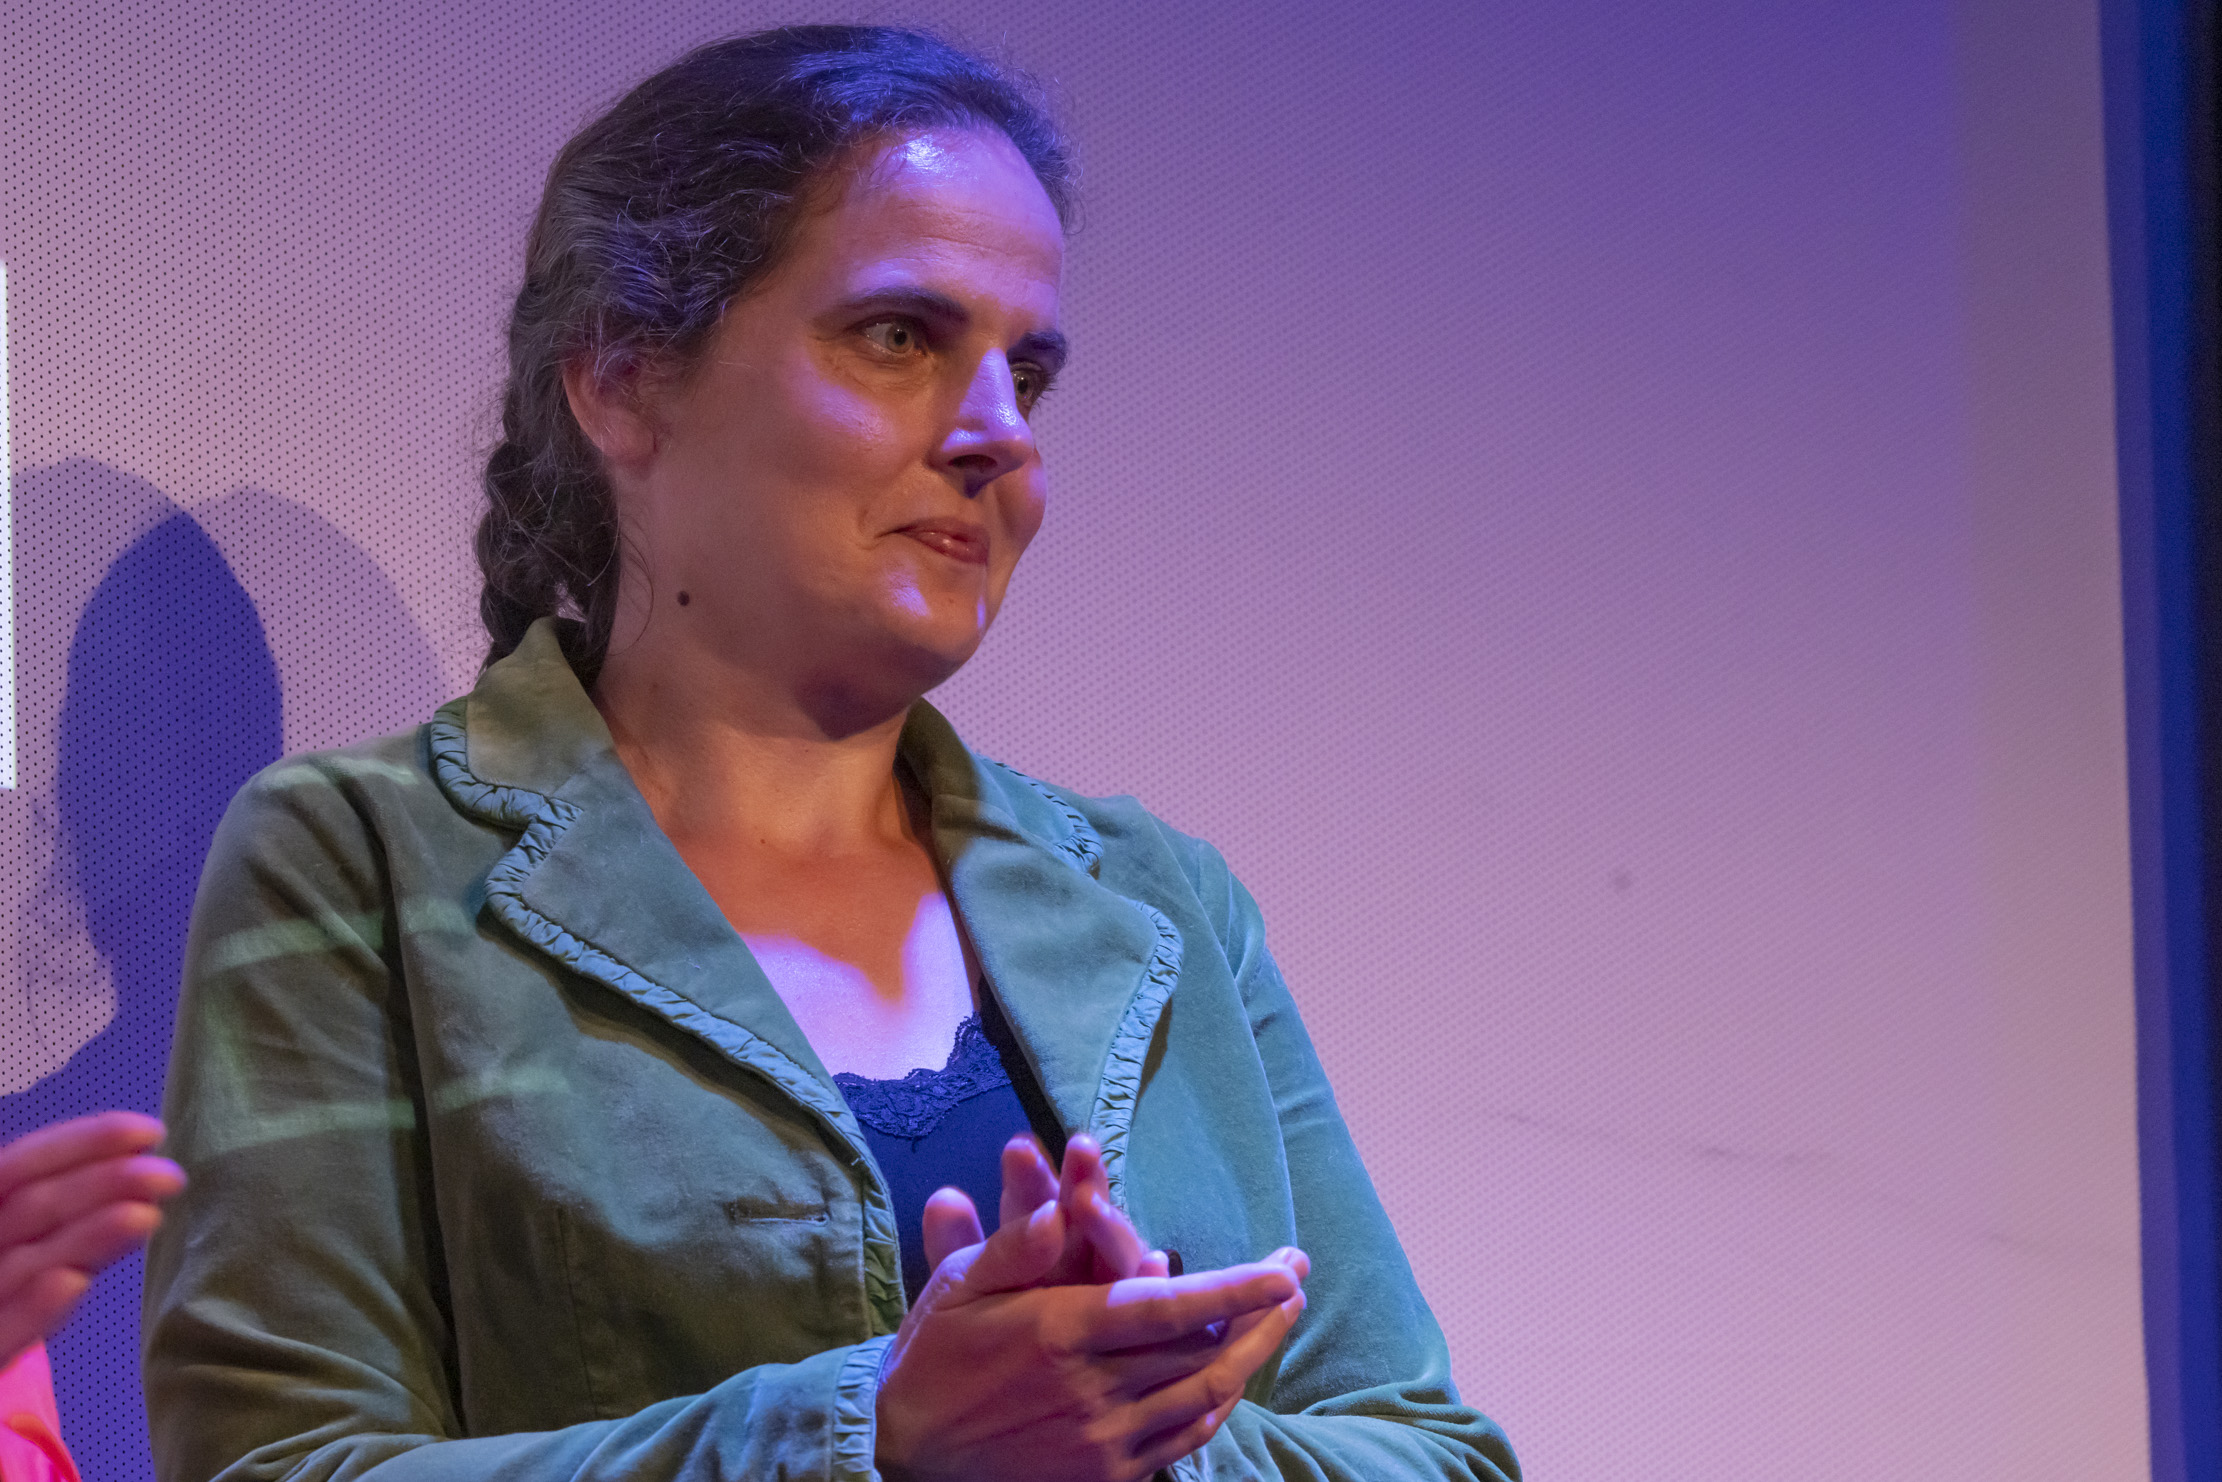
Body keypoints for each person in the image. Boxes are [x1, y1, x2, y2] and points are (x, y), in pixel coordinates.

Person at [142, 25, 1520, 1482]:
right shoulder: (363, 860)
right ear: (620, 379)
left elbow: (1435, 1456)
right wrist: (873, 1435)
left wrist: (1132, 1429)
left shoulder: (1160, 899)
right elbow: (271, 1464)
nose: (998, 435)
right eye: (900, 337)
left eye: (1027, 373)